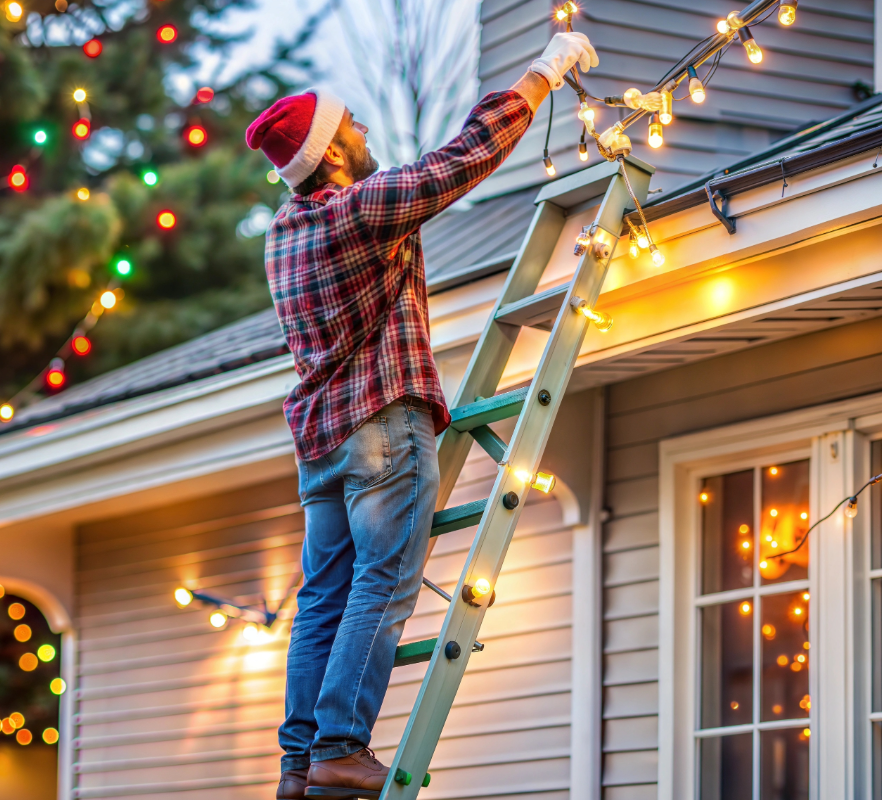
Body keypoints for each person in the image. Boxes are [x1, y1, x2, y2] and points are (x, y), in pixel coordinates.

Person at [245, 31, 599, 800]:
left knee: (322, 602)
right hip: (380, 424)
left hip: (320, 442)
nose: (366, 132)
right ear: (330, 155)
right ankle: (340, 746)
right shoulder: (360, 212)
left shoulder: (283, 235)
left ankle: (299, 765)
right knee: (383, 585)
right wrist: (544, 73)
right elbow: (462, 159)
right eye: (353, 128)